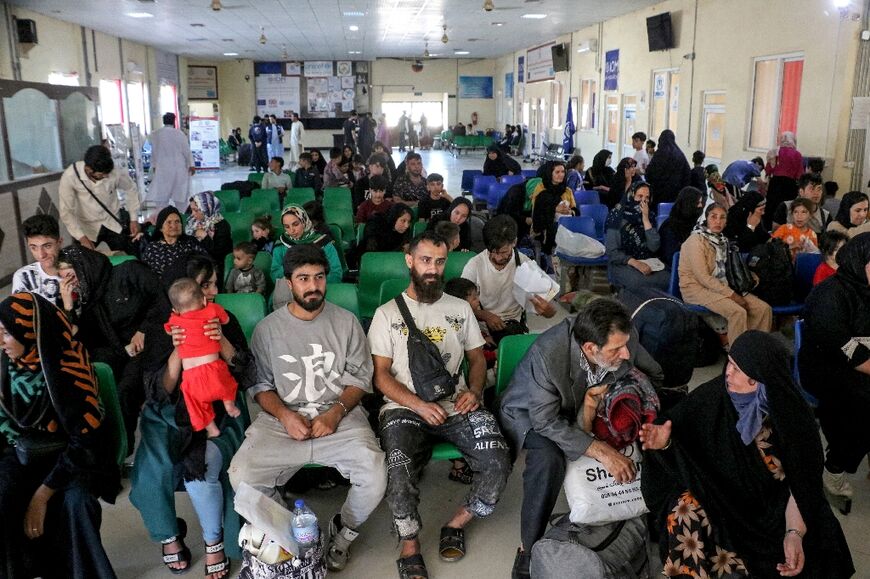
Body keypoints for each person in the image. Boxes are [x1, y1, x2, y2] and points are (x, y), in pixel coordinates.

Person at [641, 330, 854, 578]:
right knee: (683, 511)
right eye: (729, 363)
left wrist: (793, 533)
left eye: (738, 369)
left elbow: (803, 486)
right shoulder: (713, 399)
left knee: (819, 545)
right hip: (722, 499)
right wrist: (665, 444)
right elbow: (680, 439)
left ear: (759, 379)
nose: (727, 373)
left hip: (775, 510)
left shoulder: (793, 418)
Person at [229, 244, 386, 572]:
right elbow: (259, 387)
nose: (313, 285)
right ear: (288, 283)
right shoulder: (268, 329)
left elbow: (359, 378)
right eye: (303, 278)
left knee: (374, 473)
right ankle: (290, 533)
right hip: (282, 418)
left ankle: (343, 533)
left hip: (339, 414)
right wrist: (285, 416)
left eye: (319, 277)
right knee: (241, 474)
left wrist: (335, 413)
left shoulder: (346, 323)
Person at [369, 231, 512, 579]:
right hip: (403, 408)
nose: (433, 268)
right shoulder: (387, 314)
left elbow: (477, 360)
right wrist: (417, 405)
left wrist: (475, 392)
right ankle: (409, 543)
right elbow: (381, 377)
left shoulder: (460, 308)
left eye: (439, 261)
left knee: (498, 460)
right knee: (399, 472)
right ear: (410, 260)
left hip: (454, 403)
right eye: (425, 260)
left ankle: (458, 522)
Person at [499, 298, 664, 579]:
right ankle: (528, 545)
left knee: (650, 435)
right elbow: (546, 421)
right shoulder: (548, 353)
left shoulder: (622, 334)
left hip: (590, 403)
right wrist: (599, 449)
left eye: (626, 345)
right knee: (548, 458)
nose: (626, 353)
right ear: (590, 348)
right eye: (616, 350)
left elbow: (652, 374)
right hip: (533, 413)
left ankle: (641, 520)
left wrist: (634, 406)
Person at [130, 256, 252, 577]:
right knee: (150, 468)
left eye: (212, 284)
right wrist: (179, 350)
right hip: (169, 413)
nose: (211, 293)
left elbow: (245, 373)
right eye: (204, 285)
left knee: (203, 464)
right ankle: (169, 537)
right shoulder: (163, 326)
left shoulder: (222, 319)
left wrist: (221, 341)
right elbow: (158, 390)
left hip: (219, 412)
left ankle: (215, 544)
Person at [0, 292, 121, 579]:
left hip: (74, 457)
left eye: (6, 334)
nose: (1, 342)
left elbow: (87, 442)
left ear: (29, 332)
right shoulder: (6, 367)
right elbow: (5, 428)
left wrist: (41, 496)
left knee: (76, 502)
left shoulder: (68, 369)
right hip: (24, 452)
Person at [56, 244, 162, 455]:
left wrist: (143, 329)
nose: (70, 283)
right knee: (87, 378)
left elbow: (162, 298)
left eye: (71, 276)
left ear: (84, 267)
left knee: (125, 390)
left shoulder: (128, 272)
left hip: (150, 341)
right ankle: (95, 447)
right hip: (120, 350)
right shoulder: (88, 299)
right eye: (63, 279)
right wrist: (68, 306)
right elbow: (77, 339)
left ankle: (121, 448)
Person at [800, 232, 870, 506]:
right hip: (826, 367)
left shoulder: (864, 288)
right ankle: (834, 470)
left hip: (857, 362)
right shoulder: (829, 296)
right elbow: (848, 351)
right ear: (858, 261)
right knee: (863, 406)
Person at [679, 203, 772, 345]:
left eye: (722, 218)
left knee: (763, 309)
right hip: (696, 288)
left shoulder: (724, 241)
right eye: (713, 217)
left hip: (723, 285)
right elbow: (703, 278)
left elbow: (729, 271)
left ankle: (755, 349)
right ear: (706, 218)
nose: (718, 221)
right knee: (738, 311)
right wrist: (732, 295)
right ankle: (737, 357)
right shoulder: (695, 240)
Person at [462, 215, 556, 344]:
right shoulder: (475, 264)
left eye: (503, 252)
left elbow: (551, 312)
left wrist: (546, 310)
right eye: (493, 252)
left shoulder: (524, 264)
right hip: (481, 327)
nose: (498, 257)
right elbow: (461, 306)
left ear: (514, 242)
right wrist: (485, 315)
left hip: (513, 325)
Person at [164, 278, 240, 438]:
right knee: (227, 384)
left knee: (195, 405)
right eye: (206, 286)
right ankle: (229, 404)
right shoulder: (212, 310)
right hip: (214, 371)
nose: (215, 291)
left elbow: (168, 328)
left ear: (175, 309)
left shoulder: (175, 320)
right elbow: (225, 319)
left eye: (215, 284)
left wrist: (175, 332)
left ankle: (211, 428)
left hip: (191, 379)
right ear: (203, 299)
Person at [59, 144, 141, 253]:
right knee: (87, 263)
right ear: (88, 169)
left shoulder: (113, 172)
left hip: (112, 223)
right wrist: (81, 237)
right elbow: (66, 211)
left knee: (124, 257)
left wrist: (133, 219)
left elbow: (131, 188)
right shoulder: (71, 176)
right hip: (87, 228)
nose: (106, 177)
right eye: (101, 175)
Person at [270, 205, 343, 310]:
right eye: (287, 226)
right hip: (290, 291)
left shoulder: (323, 242)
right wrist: (294, 265)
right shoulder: (281, 245)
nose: (292, 230)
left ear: (304, 221)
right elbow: (274, 275)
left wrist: (314, 281)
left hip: (320, 289)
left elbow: (336, 273)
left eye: (295, 224)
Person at [605, 182, 669, 292]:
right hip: (623, 263)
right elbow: (612, 252)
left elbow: (654, 247)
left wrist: (645, 219)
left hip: (647, 262)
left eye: (647, 198)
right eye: (640, 196)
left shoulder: (650, 215)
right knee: (638, 282)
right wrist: (635, 263)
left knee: (667, 278)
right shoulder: (616, 216)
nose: (643, 201)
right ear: (631, 195)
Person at [141, 206, 208, 277]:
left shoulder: (190, 243)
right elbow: (145, 274)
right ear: (161, 228)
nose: (173, 225)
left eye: (177, 222)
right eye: (169, 222)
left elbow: (206, 262)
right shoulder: (152, 248)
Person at [147, 112, 195, 209]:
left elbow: (154, 153)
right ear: (174, 121)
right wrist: (191, 165)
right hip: (179, 169)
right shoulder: (180, 134)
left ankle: (161, 219)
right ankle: (181, 217)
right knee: (180, 197)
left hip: (163, 170)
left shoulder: (156, 134)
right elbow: (187, 151)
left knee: (161, 199)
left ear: (163, 121)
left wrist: (154, 167)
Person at [530, 161, 577, 260]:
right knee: (555, 228)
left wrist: (570, 212)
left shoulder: (567, 190)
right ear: (550, 173)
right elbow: (537, 211)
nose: (561, 175)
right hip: (544, 226)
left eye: (563, 172)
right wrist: (554, 209)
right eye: (557, 172)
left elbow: (575, 210)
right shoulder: (541, 190)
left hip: (565, 225)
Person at [13, 214, 63, 306]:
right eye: (33, 248)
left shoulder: (79, 271)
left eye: (47, 246)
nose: (41, 255)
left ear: (59, 243)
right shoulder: (23, 277)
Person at [187, 191, 233, 285]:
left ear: (206, 208)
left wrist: (205, 237)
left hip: (214, 266)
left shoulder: (222, 225)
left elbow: (219, 254)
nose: (193, 214)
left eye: (196, 210)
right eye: (192, 210)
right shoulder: (193, 223)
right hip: (195, 264)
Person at [763, 132, 804, 230]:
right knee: (787, 207)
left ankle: (768, 229)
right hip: (790, 185)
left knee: (771, 207)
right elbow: (800, 174)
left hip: (775, 183)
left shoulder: (774, 152)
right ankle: (784, 230)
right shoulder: (797, 154)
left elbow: (768, 170)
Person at [658, 186, 704, 267]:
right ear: (689, 204)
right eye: (697, 203)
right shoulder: (670, 227)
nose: (700, 206)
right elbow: (671, 258)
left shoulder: (692, 224)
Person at [645, 129, 691, 207]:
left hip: (659, 194)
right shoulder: (680, 154)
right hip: (676, 195)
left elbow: (650, 172)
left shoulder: (660, 154)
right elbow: (687, 174)